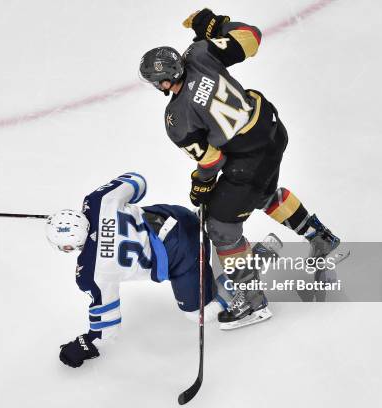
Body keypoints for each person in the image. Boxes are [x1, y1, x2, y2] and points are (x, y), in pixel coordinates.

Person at [138, 9, 341, 327]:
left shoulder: (177, 119)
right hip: (272, 132)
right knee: (261, 193)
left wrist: (201, 183)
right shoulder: (201, 51)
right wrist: (219, 25)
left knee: (222, 226)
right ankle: (321, 238)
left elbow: (212, 161)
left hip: (250, 159)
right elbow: (252, 36)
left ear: (161, 83)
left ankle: (253, 302)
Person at [49, 172, 242, 368]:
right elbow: (138, 182)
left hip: (184, 258)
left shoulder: (90, 273)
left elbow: (108, 327)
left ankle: (242, 281)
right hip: (180, 217)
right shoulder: (98, 201)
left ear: (67, 248)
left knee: (198, 314)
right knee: (148, 216)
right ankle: (203, 222)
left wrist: (86, 342)